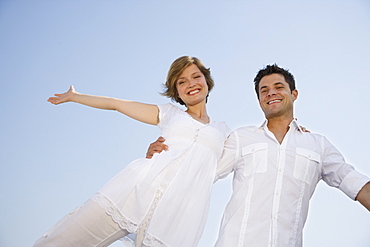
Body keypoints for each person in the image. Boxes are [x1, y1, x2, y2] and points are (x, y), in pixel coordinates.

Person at [146, 64, 370, 246]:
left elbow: (355, 183)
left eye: (278, 87)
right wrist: (163, 154)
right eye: (264, 90)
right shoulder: (242, 138)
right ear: (259, 100)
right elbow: (198, 170)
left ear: (294, 94)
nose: (271, 92)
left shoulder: (318, 145)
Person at [34, 56, 230, 247]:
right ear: (176, 92)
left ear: (206, 80)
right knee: (64, 239)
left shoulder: (223, 132)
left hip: (174, 215)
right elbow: (117, 104)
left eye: (196, 77)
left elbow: (242, 156)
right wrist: (75, 97)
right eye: (182, 81)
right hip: (133, 190)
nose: (191, 84)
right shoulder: (170, 113)